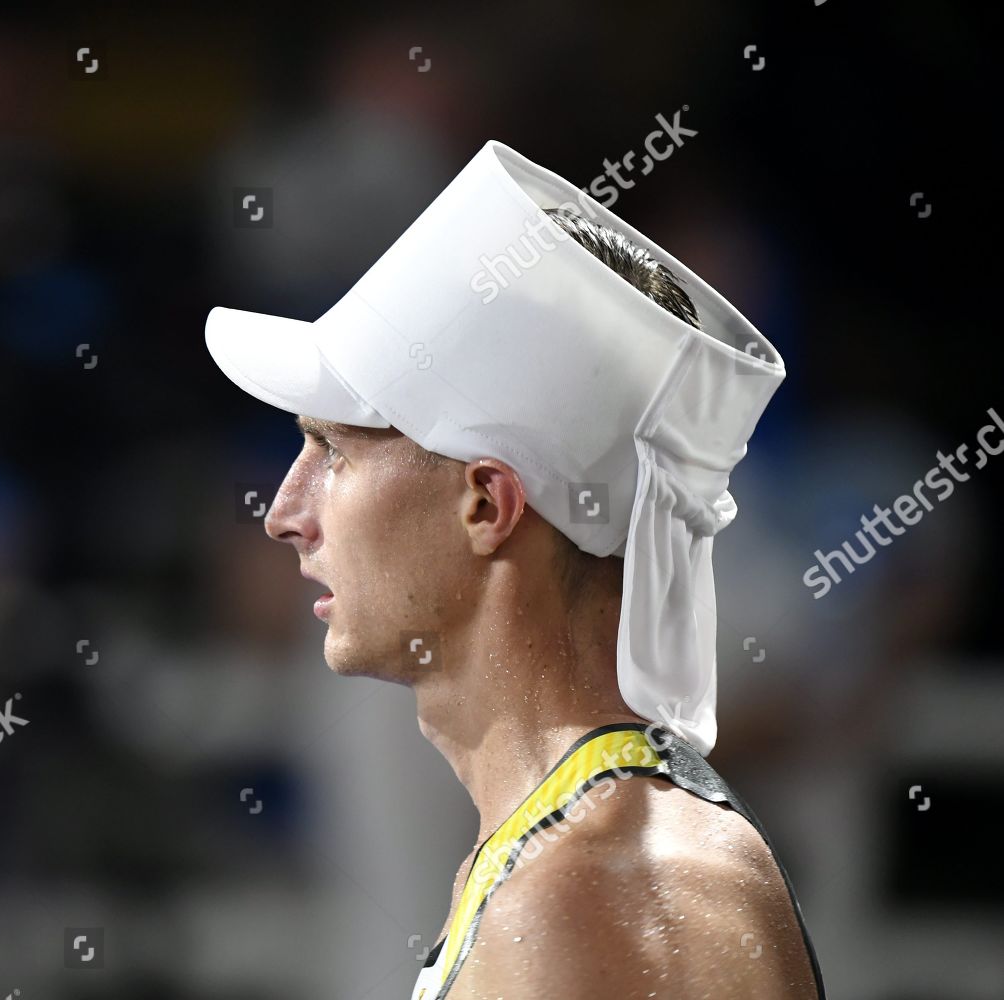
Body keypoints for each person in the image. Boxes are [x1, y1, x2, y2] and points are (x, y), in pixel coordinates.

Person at [203, 140, 824, 998]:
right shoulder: (574, 861)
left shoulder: (591, 889)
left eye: (333, 449)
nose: (283, 514)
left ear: (489, 505)